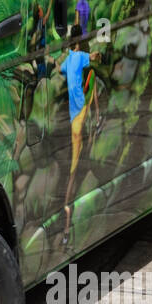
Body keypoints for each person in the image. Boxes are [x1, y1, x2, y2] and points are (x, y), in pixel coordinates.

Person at [60, 26, 100, 246]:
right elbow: (93, 57)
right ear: (79, 43)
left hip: (74, 117)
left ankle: (67, 217)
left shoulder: (68, 60)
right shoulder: (81, 56)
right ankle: (67, 215)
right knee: (74, 173)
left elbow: (60, 70)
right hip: (79, 115)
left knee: (74, 172)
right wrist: (98, 54)